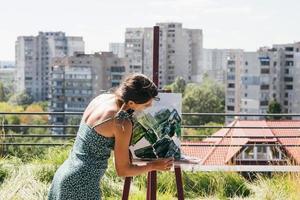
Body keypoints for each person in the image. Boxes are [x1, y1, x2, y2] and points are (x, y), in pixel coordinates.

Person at [48, 74, 174, 200]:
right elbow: (123, 170)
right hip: (82, 184)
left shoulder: (102, 99)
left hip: (65, 174)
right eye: (146, 105)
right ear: (131, 102)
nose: (150, 107)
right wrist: (153, 166)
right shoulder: (121, 122)